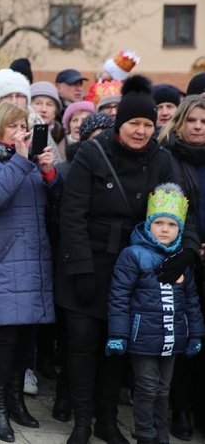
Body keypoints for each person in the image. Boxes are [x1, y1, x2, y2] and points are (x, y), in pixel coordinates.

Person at [57, 75, 201, 444]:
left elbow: (182, 209)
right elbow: (71, 215)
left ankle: (107, 421)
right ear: (120, 123)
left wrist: (186, 249)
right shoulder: (92, 154)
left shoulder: (162, 159)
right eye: (134, 123)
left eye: (148, 125)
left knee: (116, 343)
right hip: (88, 260)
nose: (141, 131)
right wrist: (81, 269)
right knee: (83, 339)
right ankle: (82, 421)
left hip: (137, 267)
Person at [0, 102, 60, 442]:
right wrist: (23, 160)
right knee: (5, 337)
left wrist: (50, 173)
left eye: (25, 125)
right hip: (2, 262)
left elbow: (56, 199)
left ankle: (17, 400)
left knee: (26, 338)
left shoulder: (30, 162)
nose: (22, 131)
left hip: (33, 259)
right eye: (14, 125)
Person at [106, 183, 205, 444]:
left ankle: (161, 435)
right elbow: (119, 297)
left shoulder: (183, 260)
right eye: (159, 222)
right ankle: (145, 434)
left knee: (163, 389)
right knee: (148, 386)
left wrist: (195, 334)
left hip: (172, 340)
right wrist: (118, 334)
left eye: (172, 225)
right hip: (143, 338)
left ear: (180, 229)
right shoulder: (133, 255)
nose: (164, 229)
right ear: (148, 224)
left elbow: (192, 300)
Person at [156, 95, 205, 440]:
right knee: (185, 335)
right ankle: (182, 408)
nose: (198, 127)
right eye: (192, 121)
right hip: (183, 258)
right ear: (180, 123)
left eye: (204, 122)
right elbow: (166, 210)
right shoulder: (168, 158)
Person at [31, 81, 66, 160]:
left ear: (55, 112)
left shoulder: (61, 134)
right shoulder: (20, 133)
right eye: (38, 103)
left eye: (49, 104)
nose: (44, 109)